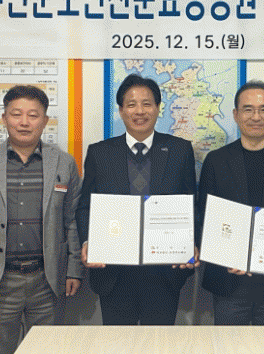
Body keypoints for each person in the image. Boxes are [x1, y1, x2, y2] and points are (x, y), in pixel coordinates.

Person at [0, 85, 83, 354]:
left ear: (45, 121)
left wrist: (73, 269)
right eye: (16, 114)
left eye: (33, 115)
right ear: (4, 118)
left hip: (47, 281)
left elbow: (71, 220)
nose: (24, 122)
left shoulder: (64, 163)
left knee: (47, 351)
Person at [76, 74, 197, 325]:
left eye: (147, 103)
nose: (139, 111)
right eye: (131, 104)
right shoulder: (99, 153)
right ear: (121, 110)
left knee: (160, 342)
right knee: (118, 342)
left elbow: (191, 203)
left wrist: (191, 242)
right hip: (114, 272)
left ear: (158, 108)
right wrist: (88, 240)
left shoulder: (180, 150)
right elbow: (86, 206)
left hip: (164, 272)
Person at [198, 80, 264, 325]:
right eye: (248, 109)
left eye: (263, 109)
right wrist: (225, 255)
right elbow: (203, 216)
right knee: (228, 344)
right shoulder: (216, 161)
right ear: (236, 115)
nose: (256, 117)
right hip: (229, 283)